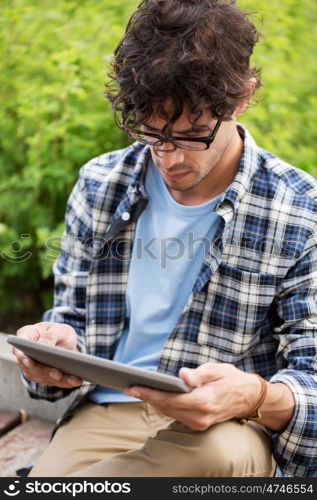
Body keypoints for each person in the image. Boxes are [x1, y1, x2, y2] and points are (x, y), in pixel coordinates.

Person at [12, 0, 317, 477]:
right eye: (152, 134)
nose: (170, 159)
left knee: (214, 458)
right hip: (109, 411)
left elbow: (311, 378)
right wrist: (56, 347)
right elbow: (72, 321)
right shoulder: (101, 184)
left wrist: (256, 394)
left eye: (194, 135)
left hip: (228, 426)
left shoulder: (300, 208)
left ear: (243, 98)